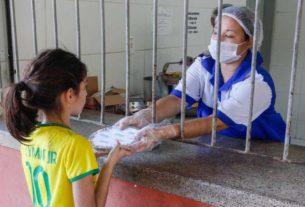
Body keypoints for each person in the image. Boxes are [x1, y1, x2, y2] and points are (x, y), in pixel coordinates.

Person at [116, 6, 286, 152]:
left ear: (250, 42)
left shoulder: (257, 83)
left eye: (229, 35)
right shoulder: (204, 66)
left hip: (259, 151)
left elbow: (218, 122)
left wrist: (165, 132)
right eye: (216, 32)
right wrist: (146, 115)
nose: (219, 41)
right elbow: (177, 99)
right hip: (214, 145)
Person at [4, 49, 132, 207]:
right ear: (70, 95)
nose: (86, 94)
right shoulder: (76, 146)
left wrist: (84, 158)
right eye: (84, 87)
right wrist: (109, 163)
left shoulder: (29, 137)